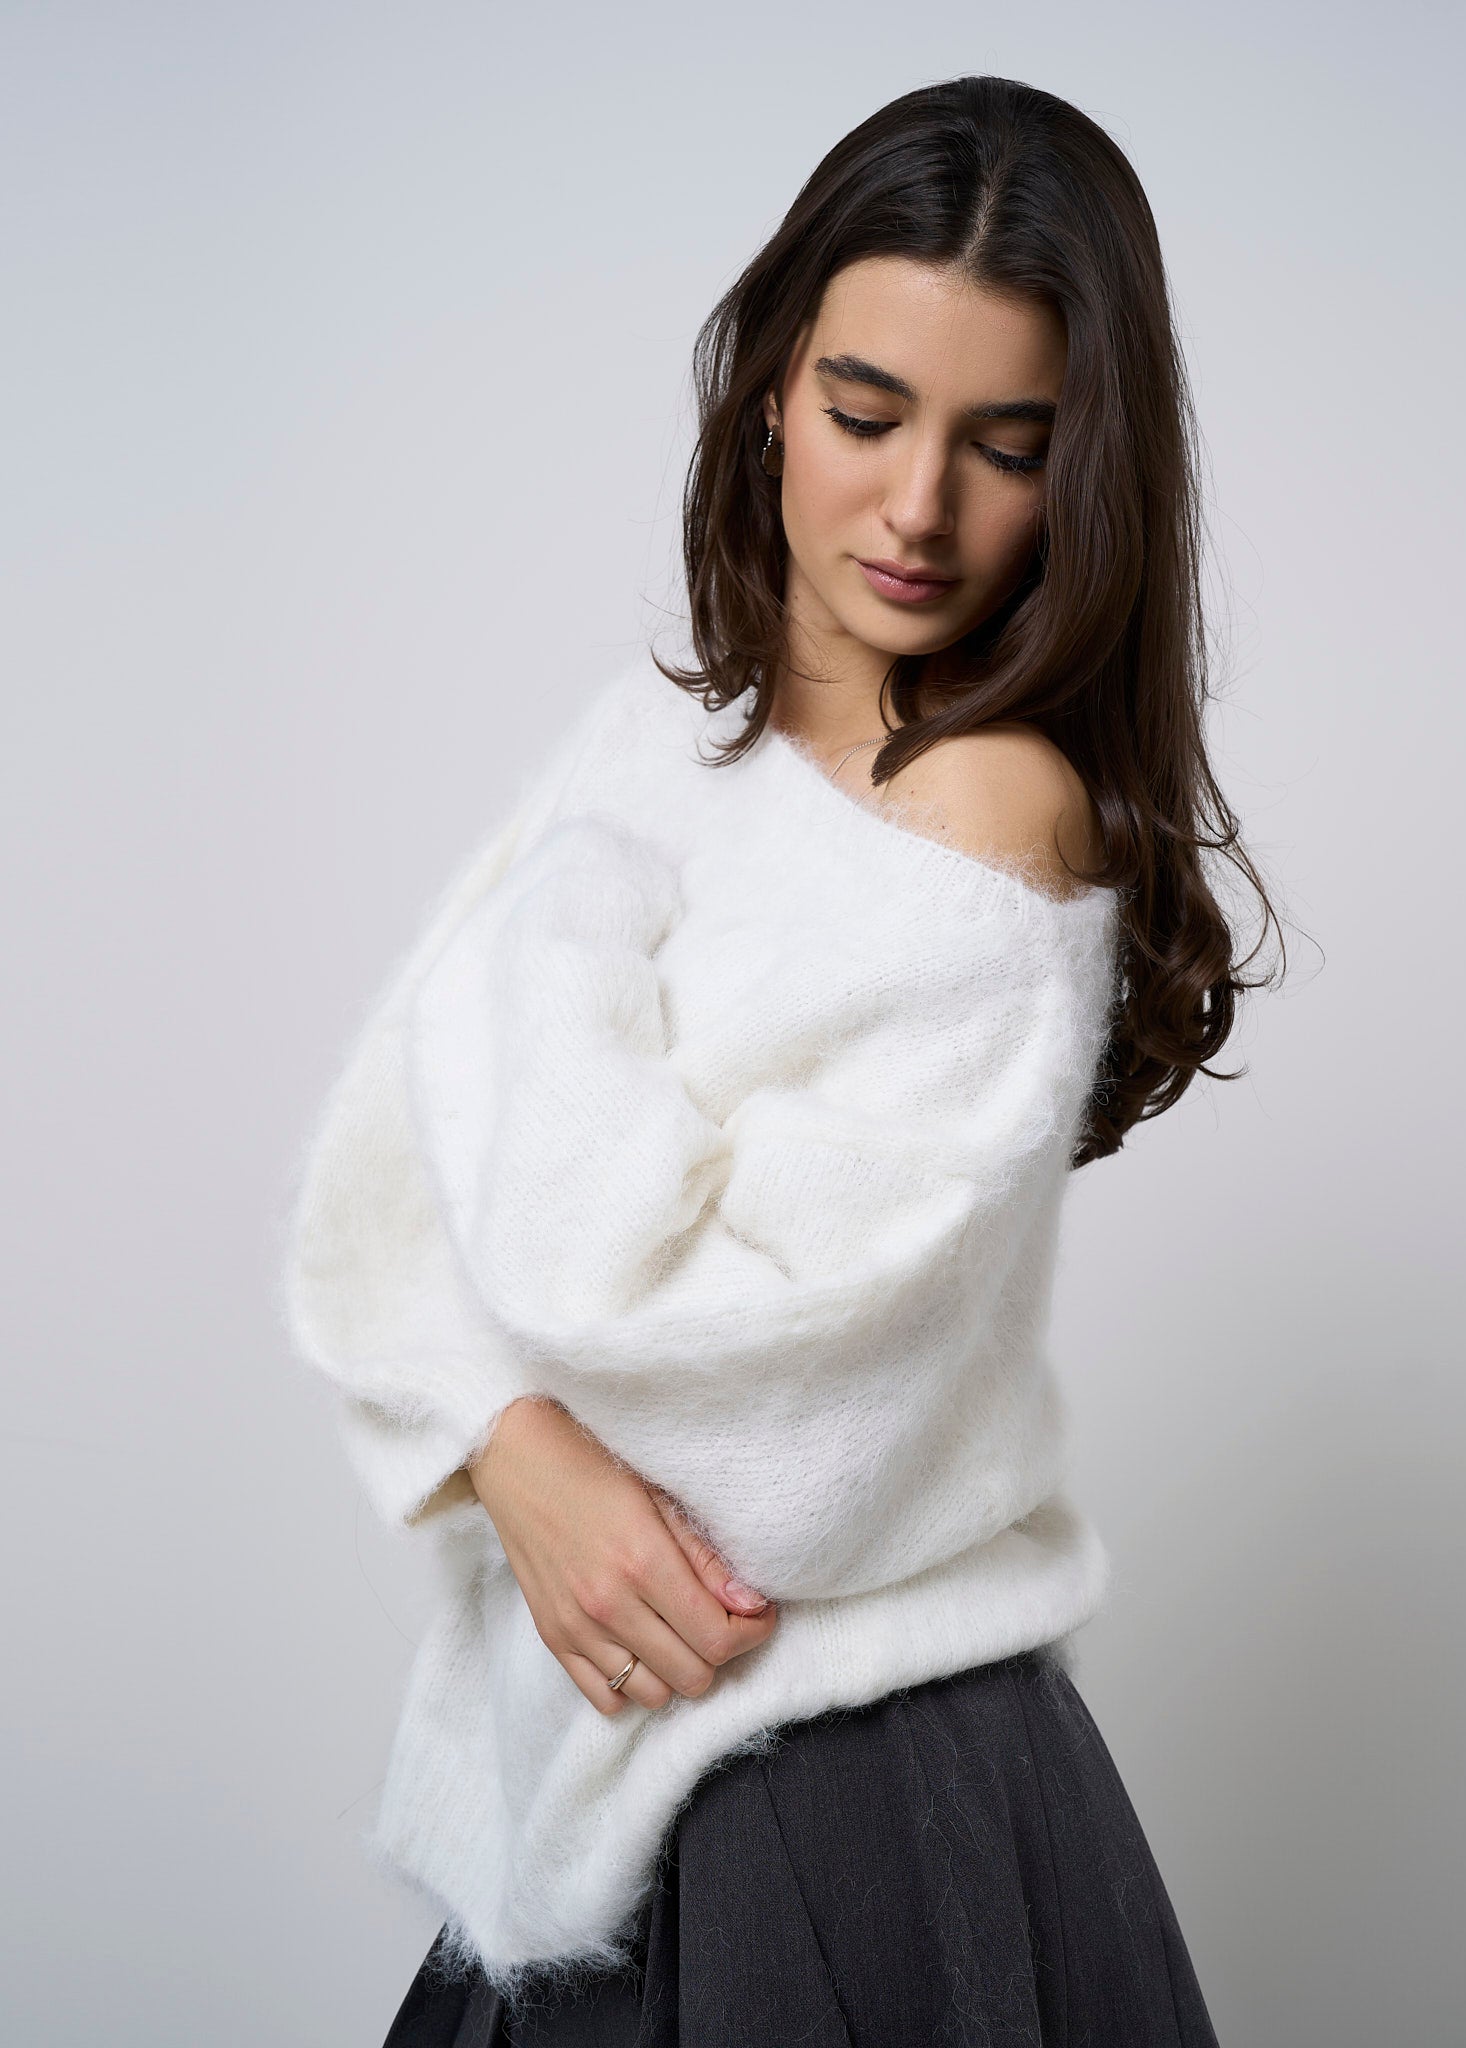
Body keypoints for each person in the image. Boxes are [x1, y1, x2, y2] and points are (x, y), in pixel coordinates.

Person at [281, 73, 1279, 2046]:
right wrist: (514, 1440)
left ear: (1085, 475)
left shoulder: (989, 810)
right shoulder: (658, 747)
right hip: (579, 1794)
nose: (918, 511)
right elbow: (365, 1206)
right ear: (767, 396)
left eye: (1007, 447)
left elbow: (773, 1464)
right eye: (865, 411)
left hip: (837, 1800)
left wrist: (560, 947)